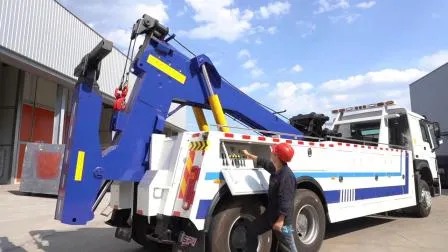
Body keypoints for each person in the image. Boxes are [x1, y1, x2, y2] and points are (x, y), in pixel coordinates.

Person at [242, 143, 297, 252]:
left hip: (284, 221)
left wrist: (280, 221)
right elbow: (265, 163)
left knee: (289, 245)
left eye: (274, 152)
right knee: (252, 230)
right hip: (271, 215)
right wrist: (249, 155)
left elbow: (286, 200)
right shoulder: (276, 168)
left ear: (277, 156)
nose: (271, 152)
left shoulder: (287, 176)